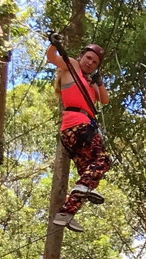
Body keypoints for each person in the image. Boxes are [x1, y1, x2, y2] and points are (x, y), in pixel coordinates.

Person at [46, 35, 111, 232]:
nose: (90, 63)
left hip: (74, 131)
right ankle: (78, 194)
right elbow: (51, 57)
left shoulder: (89, 84)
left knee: (88, 175)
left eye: (95, 62)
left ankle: (66, 213)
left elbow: (105, 100)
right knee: (103, 161)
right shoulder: (72, 66)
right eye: (88, 58)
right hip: (79, 126)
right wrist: (54, 43)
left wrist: (98, 82)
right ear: (81, 56)